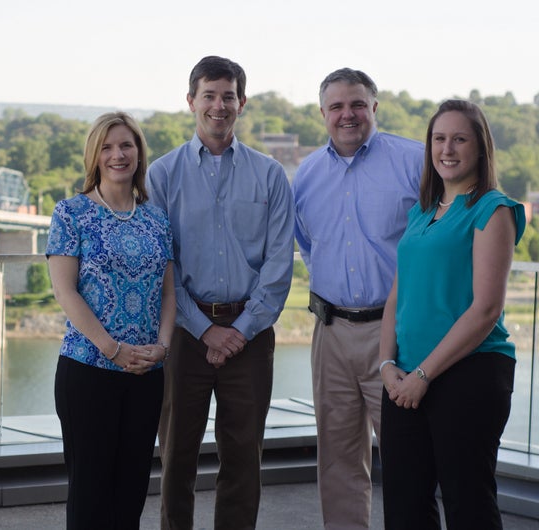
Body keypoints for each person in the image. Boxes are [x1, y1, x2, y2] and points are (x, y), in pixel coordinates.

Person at [147, 55, 295, 530]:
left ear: (242, 103)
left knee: (243, 456)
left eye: (227, 96)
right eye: (208, 95)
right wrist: (205, 329)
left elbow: (278, 266)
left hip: (250, 338)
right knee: (177, 455)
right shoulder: (162, 175)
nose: (218, 105)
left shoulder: (270, 175)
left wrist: (240, 330)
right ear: (191, 101)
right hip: (185, 335)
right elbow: (162, 265)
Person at [379, 99, 525, 530]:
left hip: (470, 374)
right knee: (404, 506)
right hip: (405, 377)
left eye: (459, 138)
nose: (447, 148)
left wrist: (423, 376)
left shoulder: (493, 210)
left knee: (469, 505)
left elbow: (485, 309)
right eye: (439, 139)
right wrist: (387, 364)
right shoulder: (421, 211)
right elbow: (396, 298)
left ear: (480, 147)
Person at [291, 68, 424, 529]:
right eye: (337, 106)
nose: (347, 115)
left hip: (398, 333)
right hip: (330, 333)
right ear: (323, 113)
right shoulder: (305, 175)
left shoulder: (415, 162)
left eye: (357, 104)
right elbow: (310, 247)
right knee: (339, 459)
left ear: (374, 108)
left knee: (407, 456)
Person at [46, 111, 176, 530]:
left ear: (139, 152)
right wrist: (113, 349)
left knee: (131, 493)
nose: (117, 155)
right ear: (94, 156)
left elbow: (168, 292)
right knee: (89, 495)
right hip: (89, 370)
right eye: (106, 147)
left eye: (126, 145)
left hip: (145, 374)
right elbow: (65, 292)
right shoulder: (71, 214)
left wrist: (163, 346)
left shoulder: (157, 219)